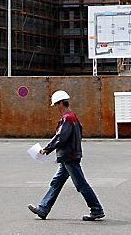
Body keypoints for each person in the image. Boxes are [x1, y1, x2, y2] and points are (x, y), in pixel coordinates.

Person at [28, 90, 105, 221]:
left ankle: (97, 209)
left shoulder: (67, 118)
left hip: (69, 157)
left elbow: (60, 137)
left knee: (81, 184)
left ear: (61, 104)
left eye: (56, 105)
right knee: (56, 183)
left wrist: (47, 149)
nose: (56, 108)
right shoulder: (73, 117)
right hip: (69, 156)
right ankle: (43, 208)